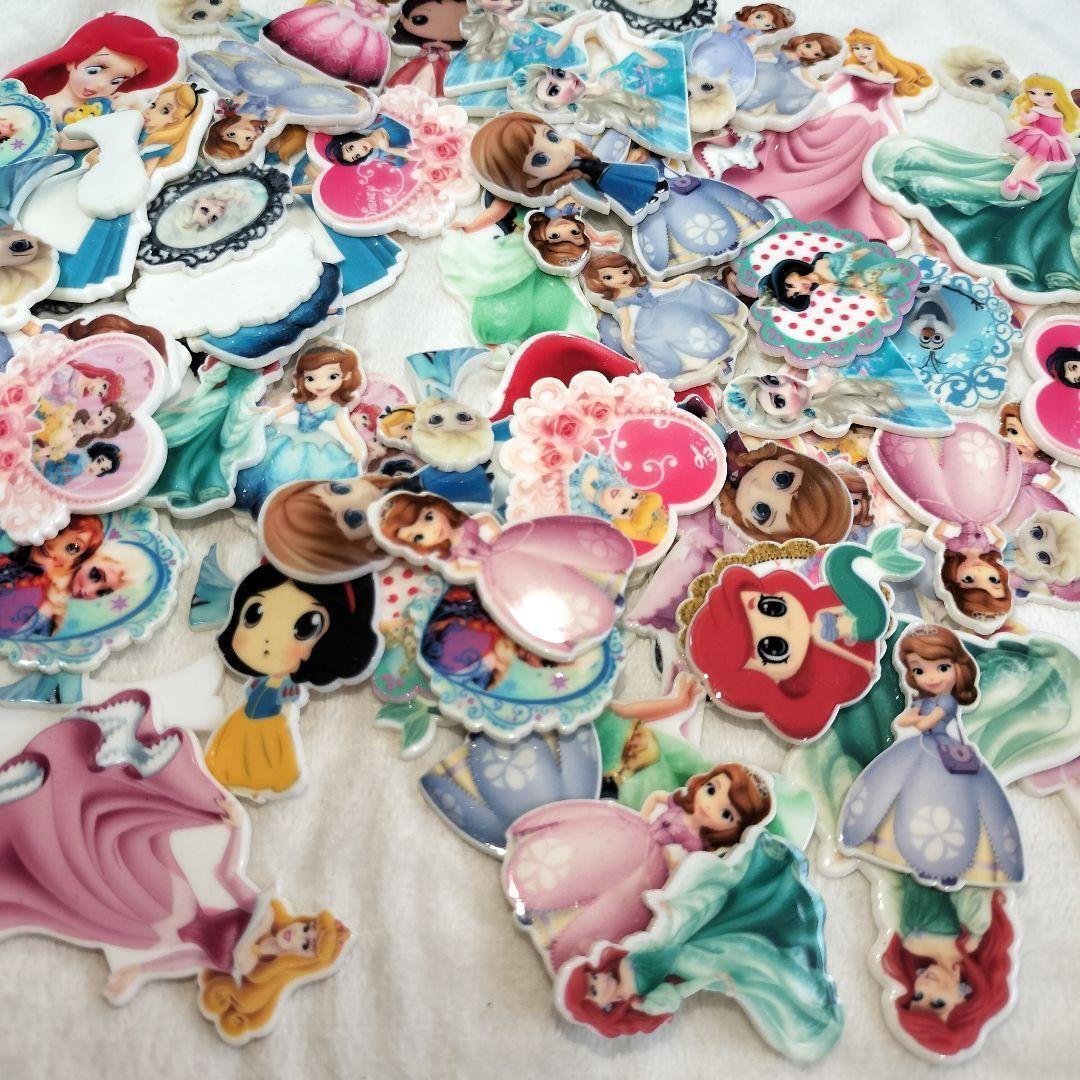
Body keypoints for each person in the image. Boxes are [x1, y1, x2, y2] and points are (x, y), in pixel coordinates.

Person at [503, 765, 772, 970]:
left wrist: (672, 863)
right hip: (631, 832)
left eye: (726, 814)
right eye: (711, 790)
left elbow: (687, 864)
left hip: (652, 871)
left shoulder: (700, 844)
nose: (709, 807)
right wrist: (642, 818)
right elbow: (657, 797)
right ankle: (532, 890)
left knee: (615, 905)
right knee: (586, 856)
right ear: (702, 784)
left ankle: (564, 936)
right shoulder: (677, 804)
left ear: (734, 829)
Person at [839, 624, 1024, 888]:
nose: (931, 677)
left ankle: (949, 866)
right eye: (919, 670)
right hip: (920, 747)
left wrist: (917, 718)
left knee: (952, 806)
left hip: (945, 754)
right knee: (904, 794)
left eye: (942, 668)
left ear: (958, 667)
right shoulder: (922, 700)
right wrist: (915, 717)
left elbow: (924, 722)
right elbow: (904, 721)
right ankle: (916, 857)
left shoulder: (946, 701)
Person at [722, 29, 933, 246]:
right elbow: (830, 87)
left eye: (866, 48)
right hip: (848, 116)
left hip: (875, 126)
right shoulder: (851, 70)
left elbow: (889, 104)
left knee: (857, 172)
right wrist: (812, 98)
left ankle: (835, 209)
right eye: (857, 49)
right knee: (814, 149)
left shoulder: (888, 78)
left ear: (877, 50)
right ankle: (790, 194)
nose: (861, 52)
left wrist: (899, 132)